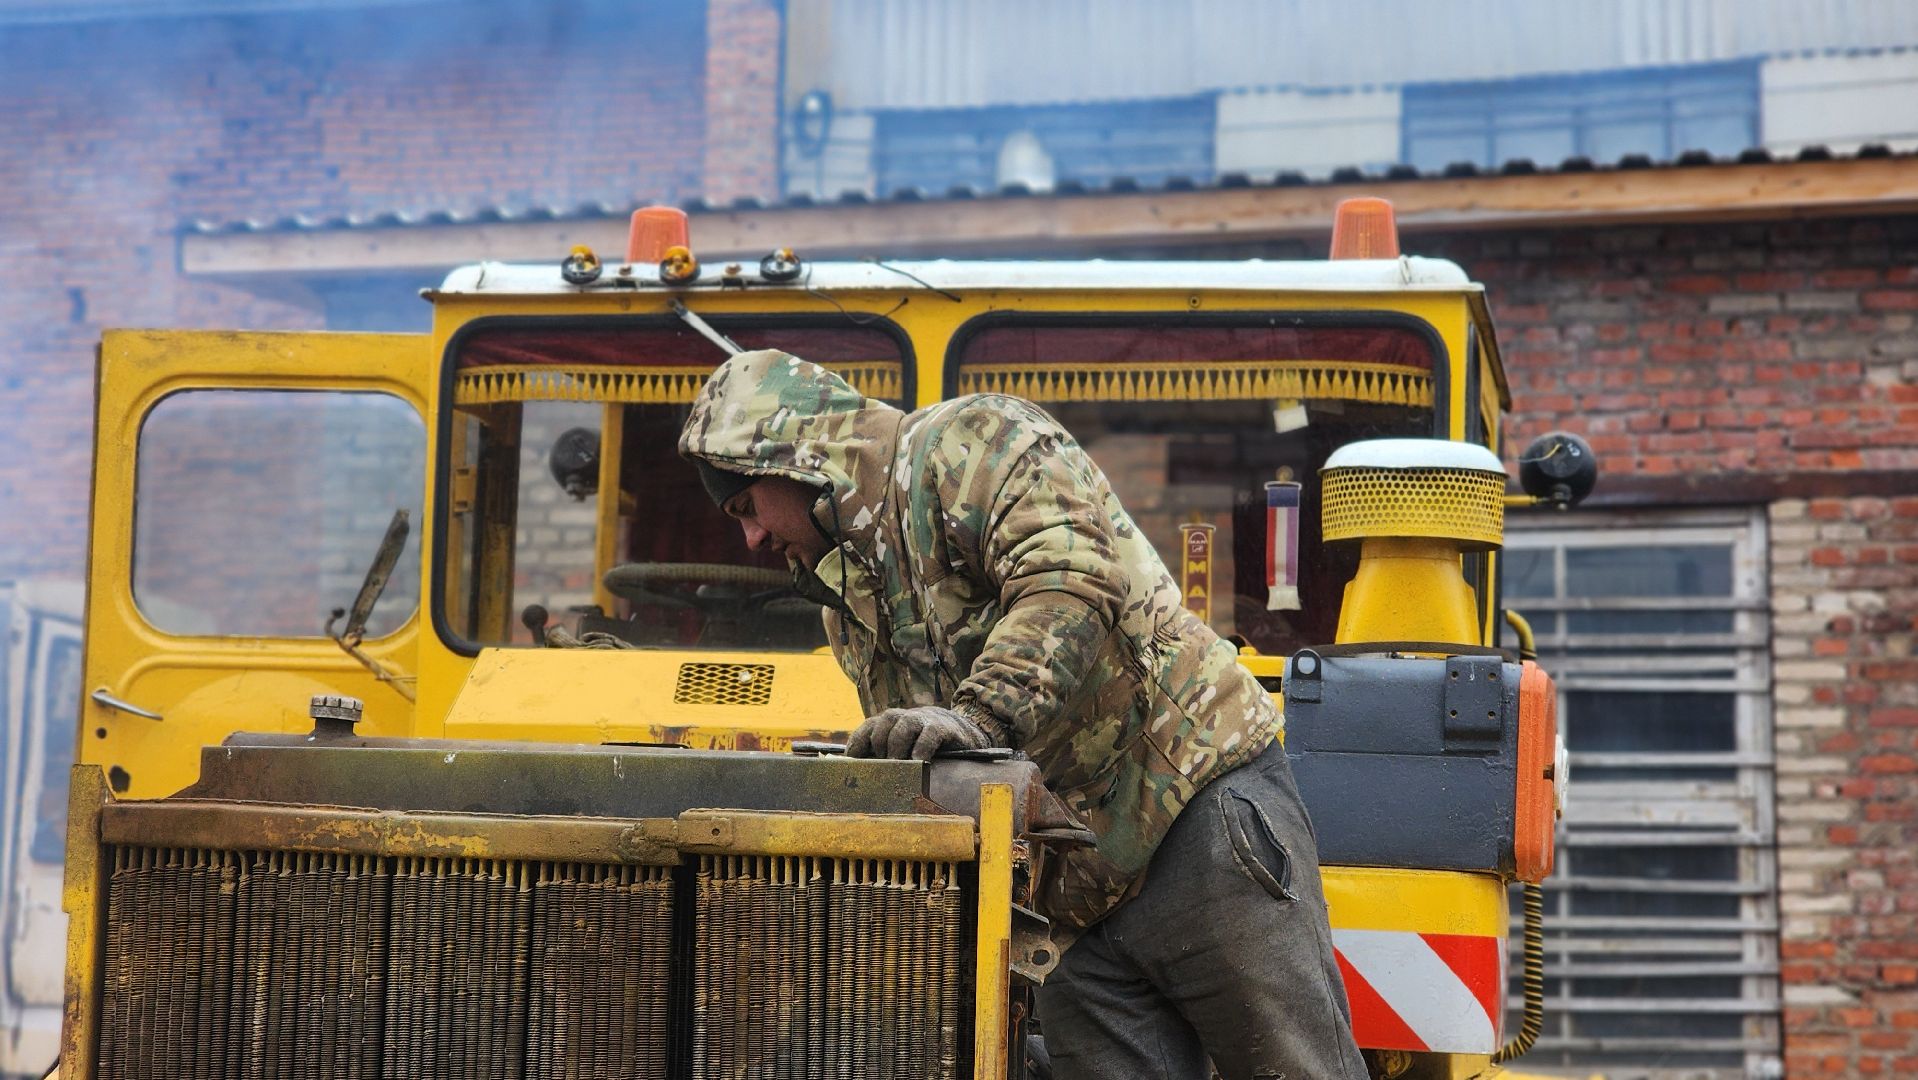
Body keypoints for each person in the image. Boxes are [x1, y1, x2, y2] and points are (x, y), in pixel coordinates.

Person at [679, 349, 1366, 1080]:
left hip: (1191, 815)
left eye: (746, 506)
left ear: (799, 455)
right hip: (1066, 893)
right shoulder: (847, 604)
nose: (750, 539)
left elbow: (1068, 580)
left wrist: (979, 719)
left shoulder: (971, 443)